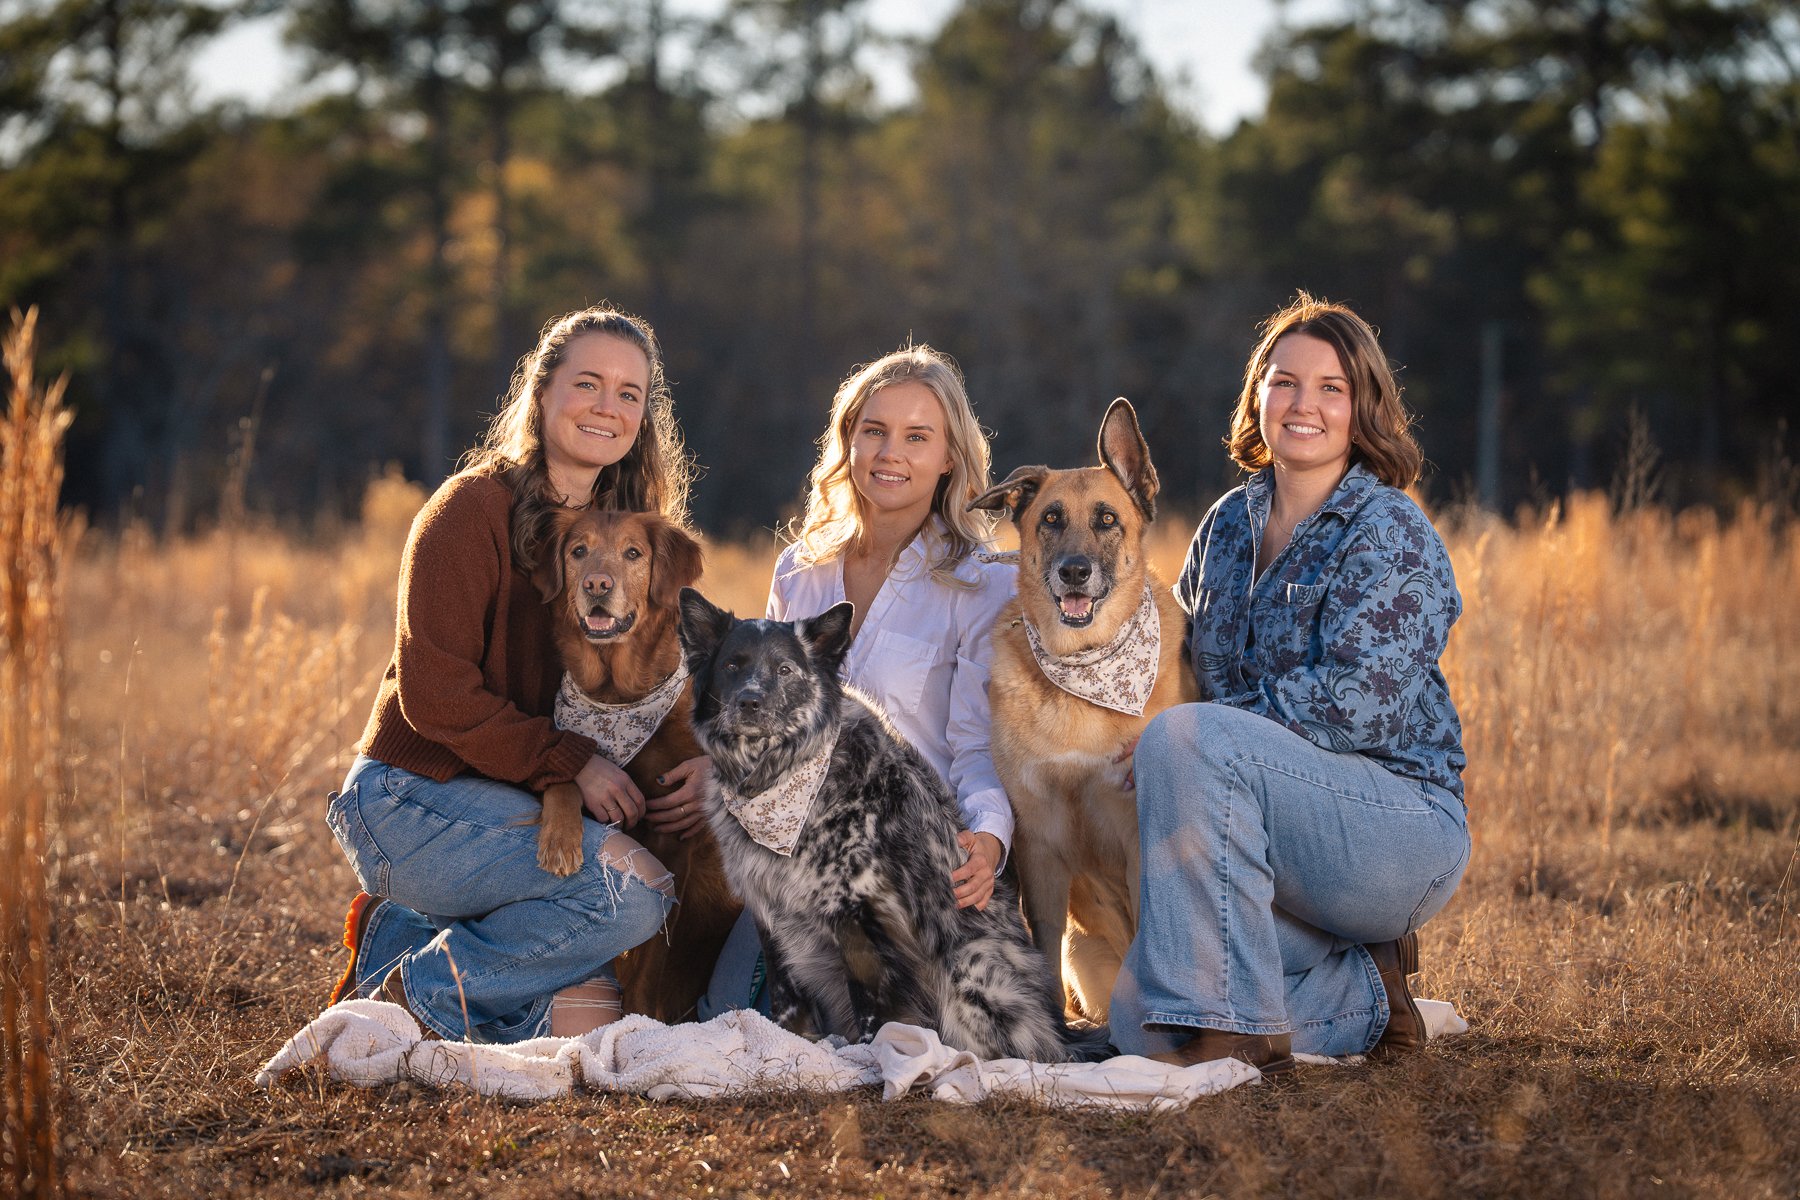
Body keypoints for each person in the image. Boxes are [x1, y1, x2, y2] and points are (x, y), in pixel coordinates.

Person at [325, 305, 708, 1042]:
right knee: (636, 894)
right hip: (410, 799)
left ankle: (399, 939)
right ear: (540, 395)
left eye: (630, 394)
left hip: (515, 804)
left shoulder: (621, 535)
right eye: (588, 384)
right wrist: (572, 764)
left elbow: (663, 675)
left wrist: (709, 767)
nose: (608, 407)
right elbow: (435, 697)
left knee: (592, 1012)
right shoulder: (467, 511)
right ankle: (417, 996)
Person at [1108, 293, 1471, 1072]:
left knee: (1190, 736)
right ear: (1258, 397)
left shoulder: (1389, 531)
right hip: (1265, 841)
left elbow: (1359, 711)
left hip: (1395, 831)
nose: (1303, 404)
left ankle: (1236, 1033)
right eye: (1283, 382)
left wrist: (1190, 739)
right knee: (1138, 1015)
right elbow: (1173, 662)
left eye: (1330, 388)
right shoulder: (1226, 527)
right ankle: (1369, 992)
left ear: (1363, 407)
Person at [700, 344, 1016, 1016]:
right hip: (798, 855)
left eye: (916, 437)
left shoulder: (983, 585)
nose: (889, 453)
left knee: (887, 1030)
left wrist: (987, 837)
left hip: (910, 857)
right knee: (728, 1016)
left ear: (950, 456)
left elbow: (975, 746)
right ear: (848, 441)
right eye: (873, 431)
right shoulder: (800, 570)